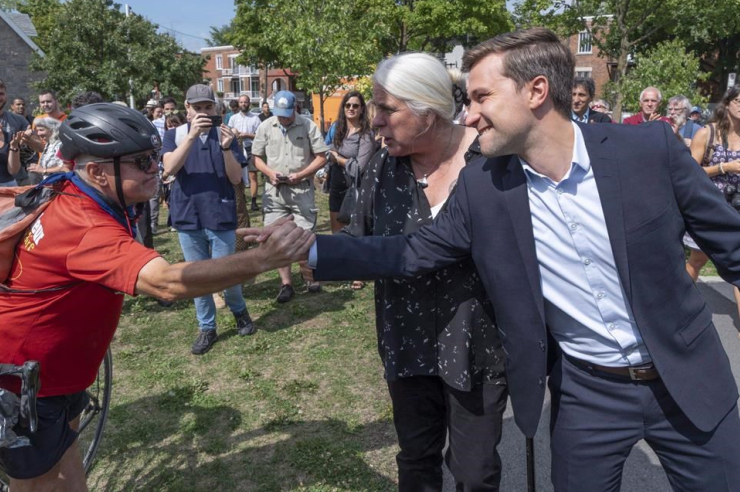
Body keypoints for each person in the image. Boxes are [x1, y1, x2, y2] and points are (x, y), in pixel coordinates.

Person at [265, 28, 740, 490]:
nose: (468, 116)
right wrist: (310, 246)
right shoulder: (485, 186)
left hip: (687, 379)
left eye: (480, 98)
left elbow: (732, 244)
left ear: (535, 92)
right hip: (587, 397)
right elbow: (413, 250)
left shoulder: (648, 151)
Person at [0, 103, 312, 492]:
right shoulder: (84, 226)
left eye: (153, 156)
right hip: (29, 382)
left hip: (56, 374)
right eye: (142, 160)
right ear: (97, 171)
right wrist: (263, 260)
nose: (156, 166)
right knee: (37, 484)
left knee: (66, 468)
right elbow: (166, 283)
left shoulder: (80, 192)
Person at [343, 53, 508, 490]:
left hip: (479, 346)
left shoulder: (492, 161)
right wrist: (305, 248)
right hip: (407, 343)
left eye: (386, 109)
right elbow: (359, 242)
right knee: (416, 462)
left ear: (428, 111)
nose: (375, 121)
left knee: (475, 473)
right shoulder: (382, 168)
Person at [162, 84, 257, 354]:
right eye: (197, 108)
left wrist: (227, 148)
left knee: (227, 274)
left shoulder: (226, 135)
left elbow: (237, 178)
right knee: (197, 277)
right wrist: (191, 136)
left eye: (208, 107)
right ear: (187, 109)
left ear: (216, 108)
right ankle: (207, 327)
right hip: (188, 216)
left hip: (219, 213)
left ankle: (240, 312)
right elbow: (169, 168)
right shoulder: (175, 135)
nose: (203, 112)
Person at [252, 90, 329, 302]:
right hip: (274, 191)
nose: (283, 117)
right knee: (276, 237)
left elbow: (322, 157)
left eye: (287, 113)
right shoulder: (266, 126)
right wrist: (269, 173)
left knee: (305, 235)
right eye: (280, 113)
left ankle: (310, 275)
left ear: (295, 108)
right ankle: (286, 284)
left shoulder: (307, 126)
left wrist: (301, 174)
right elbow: (256, 157)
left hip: (301, 189)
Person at [684, 85, 740, 329]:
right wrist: (724, 168)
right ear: (727, 104)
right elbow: (690, 172)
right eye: (738, 100)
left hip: (737, 210)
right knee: (696, 261)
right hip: (711, 211)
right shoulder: (707, 133)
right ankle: (678, 308)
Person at [326, 91, 377, 233]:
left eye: (355, 105)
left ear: (361, 109)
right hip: (336, 186)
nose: (351, 108)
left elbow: (358, 168)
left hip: (355, 189)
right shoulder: (339, 130)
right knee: (336, 234)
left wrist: (338, 159)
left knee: (354, 235)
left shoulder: (366, 135)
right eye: (347, 105)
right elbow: (329, 148)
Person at [228, 94, 262, 211]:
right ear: (238, 103)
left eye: (245, 102)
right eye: (241, 102)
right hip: (237, 148)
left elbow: (260, 136)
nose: (243, 104)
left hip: (251, 148)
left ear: (249, 103)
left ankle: (253, 201)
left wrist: (247, 135)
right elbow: (228, 134)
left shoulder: (255, 118)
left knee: (253, 175)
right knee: (238, 175)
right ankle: (241, 199)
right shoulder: (233, 118)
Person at [0, 80, 31, 187]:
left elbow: (13, 170)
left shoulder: (19, 120)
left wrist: (17, 144)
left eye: (1, 94)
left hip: (9, 184)